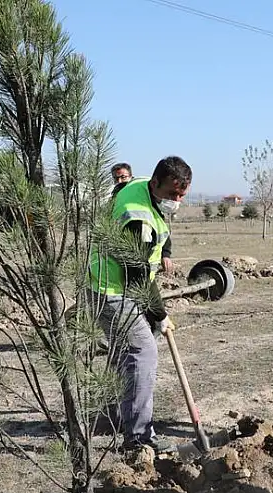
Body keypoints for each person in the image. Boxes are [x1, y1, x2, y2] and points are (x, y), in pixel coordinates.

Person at [87, 156, 191, 454]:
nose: (177, 200)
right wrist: (160, 315)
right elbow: (138, 280)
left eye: (182, 194)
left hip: (107, 283)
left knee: (126, 354)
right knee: (142, 350)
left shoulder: (140, 189)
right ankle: (139, 439)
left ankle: (115, 416)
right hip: (111, 289)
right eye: (173, 194)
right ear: (156, 182)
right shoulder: (138, 217)